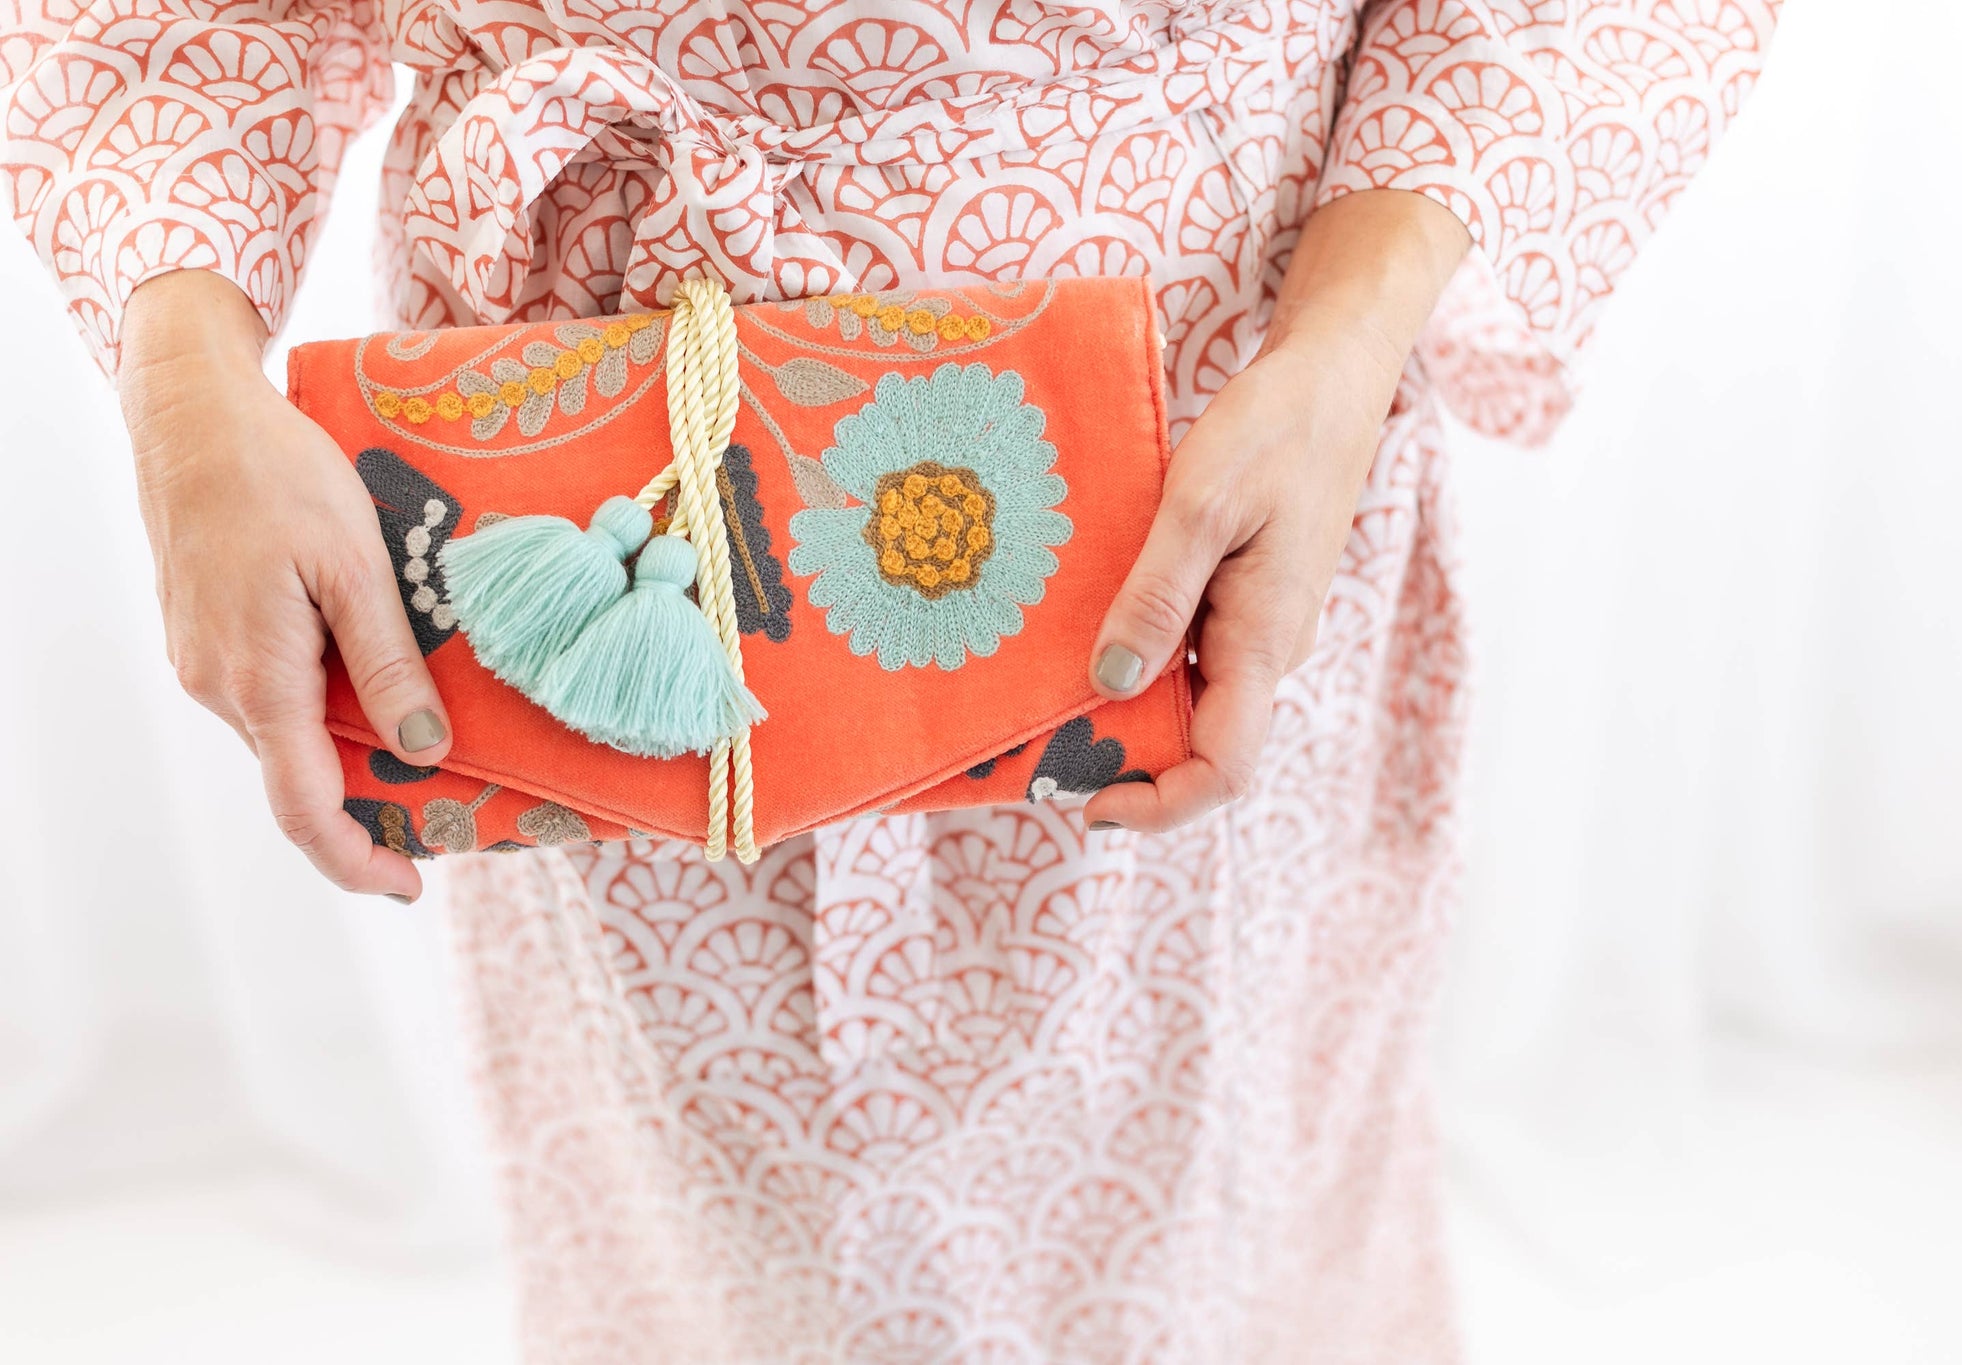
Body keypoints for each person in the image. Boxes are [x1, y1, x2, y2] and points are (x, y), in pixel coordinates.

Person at [3, 0, 1777, 1358]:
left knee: (1200, 1216)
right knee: (711, 1243)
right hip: (591, 534)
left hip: (1206, 473)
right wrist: (184, 384)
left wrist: (1349, 338)